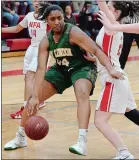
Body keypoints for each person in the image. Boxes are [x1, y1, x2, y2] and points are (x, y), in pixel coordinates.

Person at [4, 4, 123, 154]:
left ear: (63, 17)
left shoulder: (74, 32)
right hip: (60, 69)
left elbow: (96, 50)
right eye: (52, 19)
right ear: (47, 21)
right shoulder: (46, 41)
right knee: (32, 100)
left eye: (59, 18)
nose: (57, 21)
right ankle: (20, 137)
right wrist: (34, 96)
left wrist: (111, 68)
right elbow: (41, 69)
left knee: (81, 93)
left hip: (82, 67)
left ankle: (82, 142)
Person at [84, 1, 138, 159]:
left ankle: (124, 153)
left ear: (116, 13)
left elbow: (100, 4)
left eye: (109, 6)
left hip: (113, 78)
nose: (105, 7)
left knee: (100, 121)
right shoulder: (111, 26)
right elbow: (109, 54)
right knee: (129, 111)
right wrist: (95, 59)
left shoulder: (112, 25)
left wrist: (102, 3)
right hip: (117, 76)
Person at [2, 0, 48, 119]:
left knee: (30, 76)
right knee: (28, 78)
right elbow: (17, 29)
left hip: (42, 48)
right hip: (32, 48)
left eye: (40, 1)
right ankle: (38, 100)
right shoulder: (29, 15)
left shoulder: (48, 16)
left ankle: (26, 109)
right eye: (35, 0)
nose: (37, 3)